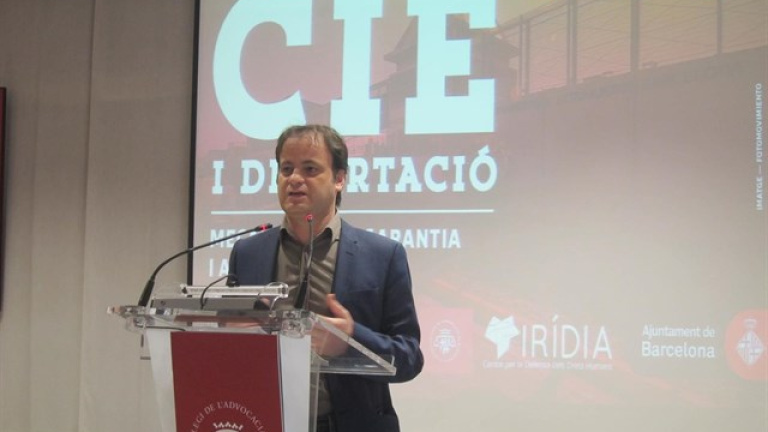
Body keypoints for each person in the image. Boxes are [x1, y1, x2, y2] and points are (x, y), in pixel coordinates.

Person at [228, 124, 424, 432]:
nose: (294, 179)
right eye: (286, 169)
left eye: (310, 169)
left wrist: (350, 340)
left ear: (339, 179)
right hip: (265, 422)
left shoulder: (383, 255)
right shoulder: (247, 252)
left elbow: (410, 358)